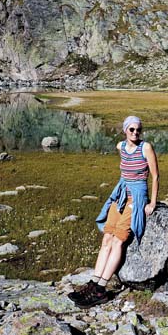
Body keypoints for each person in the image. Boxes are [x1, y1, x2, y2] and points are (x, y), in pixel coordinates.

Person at [69, 115, 159, 308]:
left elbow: (155, 176)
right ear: (125, 130)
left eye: (138, 130)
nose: (135, 133)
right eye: (131, 129)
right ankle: (93, 283)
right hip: (121, 194)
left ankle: (101, 289)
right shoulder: (120, 147)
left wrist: (151, 203)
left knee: (119, 239)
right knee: (107, 238)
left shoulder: (146, 148)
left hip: (136, 196)